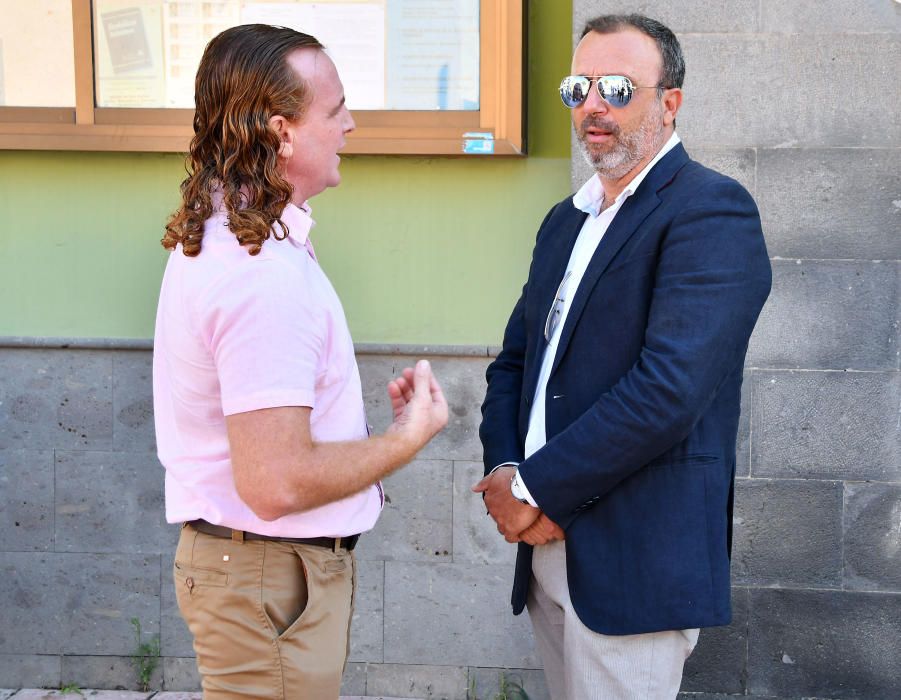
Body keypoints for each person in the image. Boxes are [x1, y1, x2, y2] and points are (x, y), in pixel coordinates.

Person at [475, 14, 771, 700]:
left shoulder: (709, 212)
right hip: (543, 545)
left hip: (632, 558)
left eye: (615, 87)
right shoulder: (565, 221)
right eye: (576, 88)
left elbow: (666, 390)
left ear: (669, 102)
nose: (592, 106)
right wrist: (504, 471)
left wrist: (534, 489)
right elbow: (514, 367)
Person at [153, 24, 448, 700]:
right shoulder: (261, 272)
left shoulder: (240, 237)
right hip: (269, 581)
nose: (350, 123)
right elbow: (275, 483)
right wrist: (405, 438)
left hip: (263, 578)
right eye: (335, 108)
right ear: (282, 131)